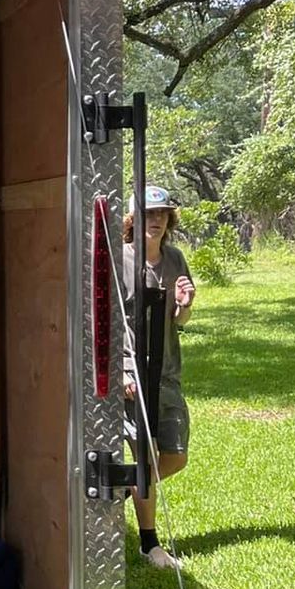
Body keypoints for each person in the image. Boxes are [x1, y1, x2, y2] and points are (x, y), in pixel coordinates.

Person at [120, 184, 196, 569]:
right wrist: (120, 370)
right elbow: (105, 320)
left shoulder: (175, 259)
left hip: (168, 371)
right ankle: (149, 544)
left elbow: (179, 321)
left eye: (162, 214)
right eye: (149, 214)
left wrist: (184, 305)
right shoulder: (120, 259)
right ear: (134, 219)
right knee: (145, 459)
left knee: (176, 455)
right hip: (133, 373)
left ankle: (128, 487)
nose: (156, 220)